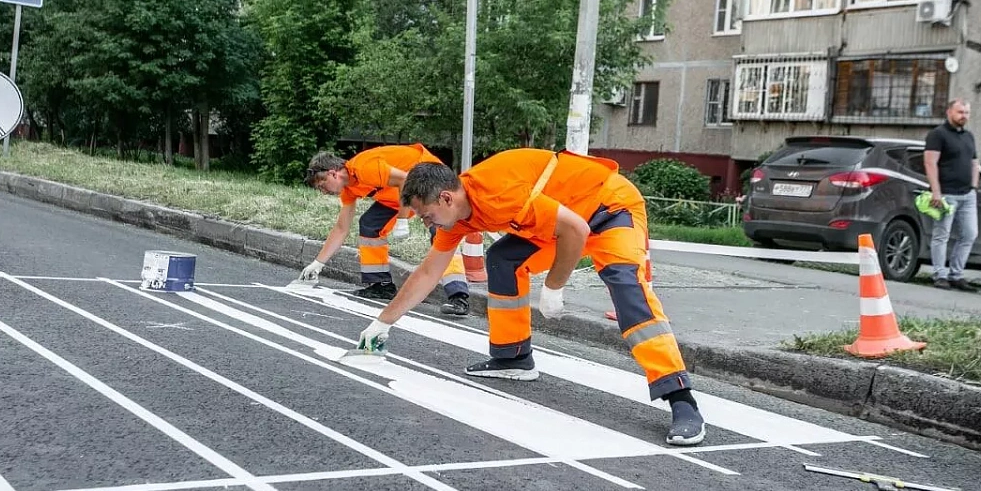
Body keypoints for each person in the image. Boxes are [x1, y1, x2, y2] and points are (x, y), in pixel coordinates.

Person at [354, 148, 706, 446]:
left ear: (446, 198)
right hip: (562, 220)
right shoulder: (456, 218)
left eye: (428, 216)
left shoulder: (497, 192)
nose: (429, 224)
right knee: (503, 260)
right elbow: (428, 273)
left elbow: (577, 230)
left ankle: (680, 397)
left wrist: (554, 285)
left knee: (626, 287)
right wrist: (383, 322)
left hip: (609, 210)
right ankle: (512, 358)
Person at [302, 144, 471, 316]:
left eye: (322, 184)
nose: (323, 191)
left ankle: (458, 295)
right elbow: (341, 228)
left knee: (442, 234)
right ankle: (381, 284)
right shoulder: (349, 189)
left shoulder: (363, 167)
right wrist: (318, 264)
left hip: (428, 178)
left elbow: (405, 180)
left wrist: (402, 220)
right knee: (370, 225)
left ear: (333, 173)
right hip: (399, 196)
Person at [923, 99, 980, 292]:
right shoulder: (937, 134)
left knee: (970, 234)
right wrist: (936, 191)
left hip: (967, 195)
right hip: (947, 194)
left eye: (966, 112)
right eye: (960, 112)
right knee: (942, 234)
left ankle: (957, 274)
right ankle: (940, 274)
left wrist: (974, 185)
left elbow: (974, 163)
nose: (964, 116)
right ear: (949, 112)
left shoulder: (969, 136)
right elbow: (930, 163)